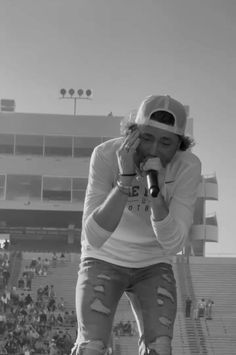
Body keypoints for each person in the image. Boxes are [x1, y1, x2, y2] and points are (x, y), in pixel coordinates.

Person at [70, 94, 201, 355]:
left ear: (179, 147)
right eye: (146, 137)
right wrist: (125, 180)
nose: (153, 150)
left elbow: (172, 243)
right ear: (132, 133)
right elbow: (93, 236)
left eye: (166, 142)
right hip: (103, 257)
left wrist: (157, 192)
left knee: (160, 347)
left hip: (153, 262)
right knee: (91, 346)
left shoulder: (187, 167)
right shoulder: (106, 155)